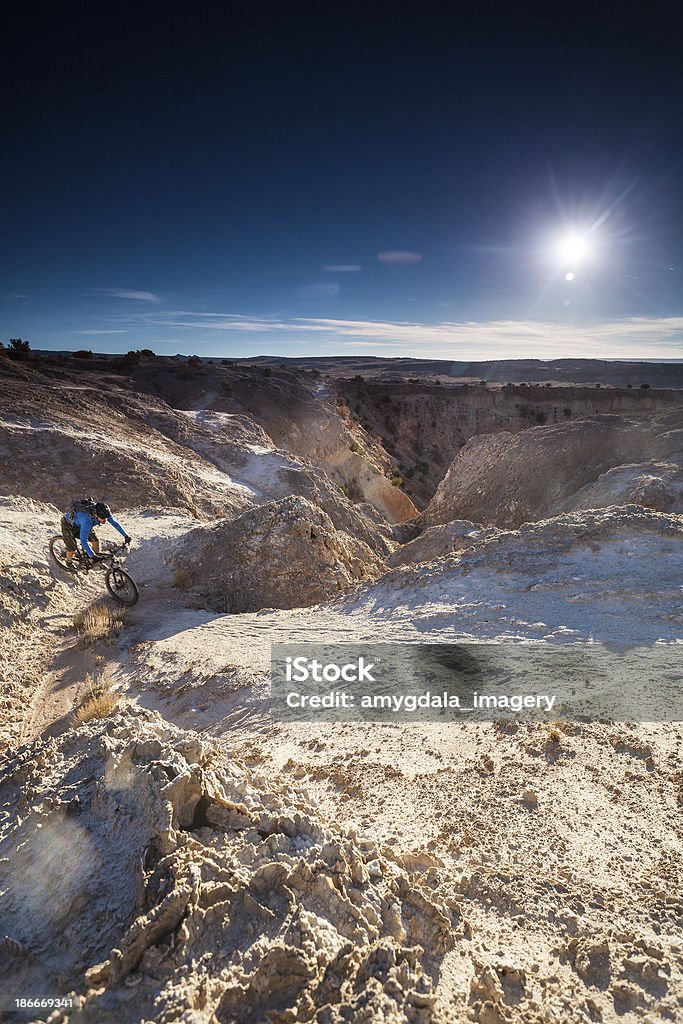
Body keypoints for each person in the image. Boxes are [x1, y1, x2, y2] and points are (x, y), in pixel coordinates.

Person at [61, 499, 132, 570]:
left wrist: (125, 536)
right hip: (69, 525)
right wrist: (92, 555)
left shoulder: (104, 514)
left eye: (106, 518)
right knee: (72, 549)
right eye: (103, 518)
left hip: (81, 524)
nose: (105, 520)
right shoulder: (86, 520)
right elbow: (83, 541)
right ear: (96, 515)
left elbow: (115, 524)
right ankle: (69, 563)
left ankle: (93, 562)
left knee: (95, 542)